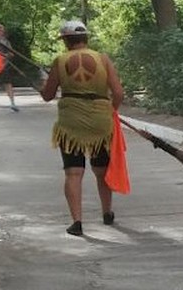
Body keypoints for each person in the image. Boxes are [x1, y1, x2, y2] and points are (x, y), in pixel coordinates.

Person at [40, 21, 125, 237]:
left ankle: (77, 222)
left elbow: (48, 95)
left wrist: (42, 84)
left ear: (66, 41)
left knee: (74, 172)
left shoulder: (60, 61)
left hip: (71, 123)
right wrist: (111, 111)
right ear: (86, 38)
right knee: (101, 170)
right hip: (100, 121)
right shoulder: (103, 59)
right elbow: (118, 93)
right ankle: (107, 213)